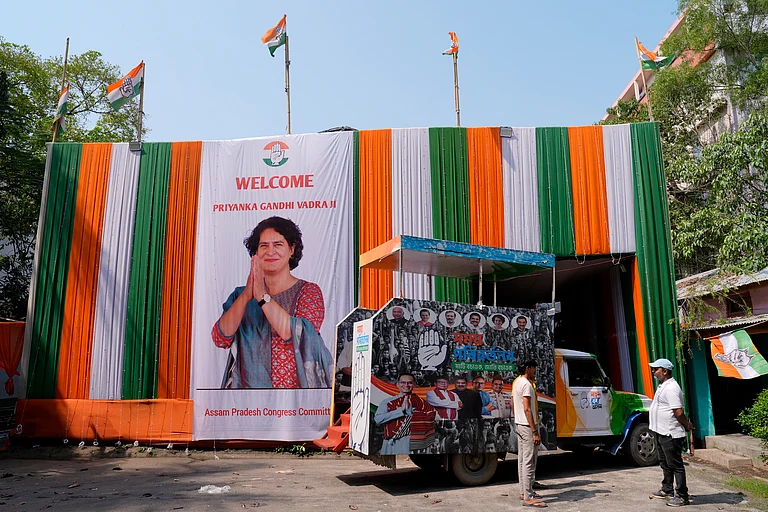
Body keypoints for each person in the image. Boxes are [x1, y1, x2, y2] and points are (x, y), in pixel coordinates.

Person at [212, 216, 333, 389]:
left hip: (295, 400)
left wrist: (262, 296)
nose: (270, 252)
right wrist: (247, 295)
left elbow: (300, 336)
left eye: (278, 244)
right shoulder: (240, 295)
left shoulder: (308, 292)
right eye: (263, 246)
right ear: (256, 253)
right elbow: (220, 338)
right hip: (247, 399)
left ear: (291, 249)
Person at [648, 358, 694, 507]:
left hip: (670, 433)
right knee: (665, 463)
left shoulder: (672, 388)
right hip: (660, 431)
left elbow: (678, 412)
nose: (653, 372)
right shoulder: (663, 386)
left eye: (656, 369)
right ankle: (667, 489)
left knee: (675, 465)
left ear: (665, 371)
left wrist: (687, 424)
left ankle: (682, 495)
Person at [374, 373, 436, 454]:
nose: (406, 385)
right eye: (403, 382)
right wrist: (400, 411)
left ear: (414, 385)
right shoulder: (388, 402)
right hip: (394, 442)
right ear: (397, 384)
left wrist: (415, 414)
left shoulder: (421, 403)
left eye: (409, 383)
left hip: (416, 442)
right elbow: (378, 419)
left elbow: (431, 416)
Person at [513, 360, 546, 507]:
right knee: (528, 461)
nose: (535, 371)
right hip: (527, 426)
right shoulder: (526, 384)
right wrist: (534, 431)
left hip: (519, 424)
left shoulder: (517, 382)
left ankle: (524, 491)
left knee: (522, 460)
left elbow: (515, 404)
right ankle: (528, 497)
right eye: (534, 368)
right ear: (528, 368)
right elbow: (527, 409)